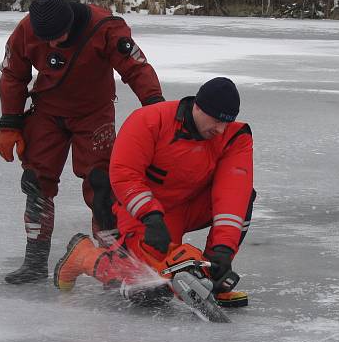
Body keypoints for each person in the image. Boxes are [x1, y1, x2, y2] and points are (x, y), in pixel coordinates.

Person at [0, 0, 164, 284]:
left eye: (59, 37)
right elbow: (13, 74)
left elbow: (136, 68)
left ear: (71, 23)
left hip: (93, 115)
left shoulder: (105, 28)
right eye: (46, 39)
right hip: (47, 113)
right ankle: (34, 262)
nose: (53, 44)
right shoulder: (26, 29)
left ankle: (113, 262)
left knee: (102, 186)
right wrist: (9, 123)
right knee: (36, 181)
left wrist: (156, 109)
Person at [53, 77, 255, 305]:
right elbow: (124, 174)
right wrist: (150, 216)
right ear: (198, 106)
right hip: (143, 210)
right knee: (145, 287)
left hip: (188, 206)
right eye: (216, 120)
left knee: (245, 197)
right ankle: (83, 255)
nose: (220, 129)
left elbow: (233, 193)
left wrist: (223, 250)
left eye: (226, 123)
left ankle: (211, 277)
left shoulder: (235, 137)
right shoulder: (150, 121)